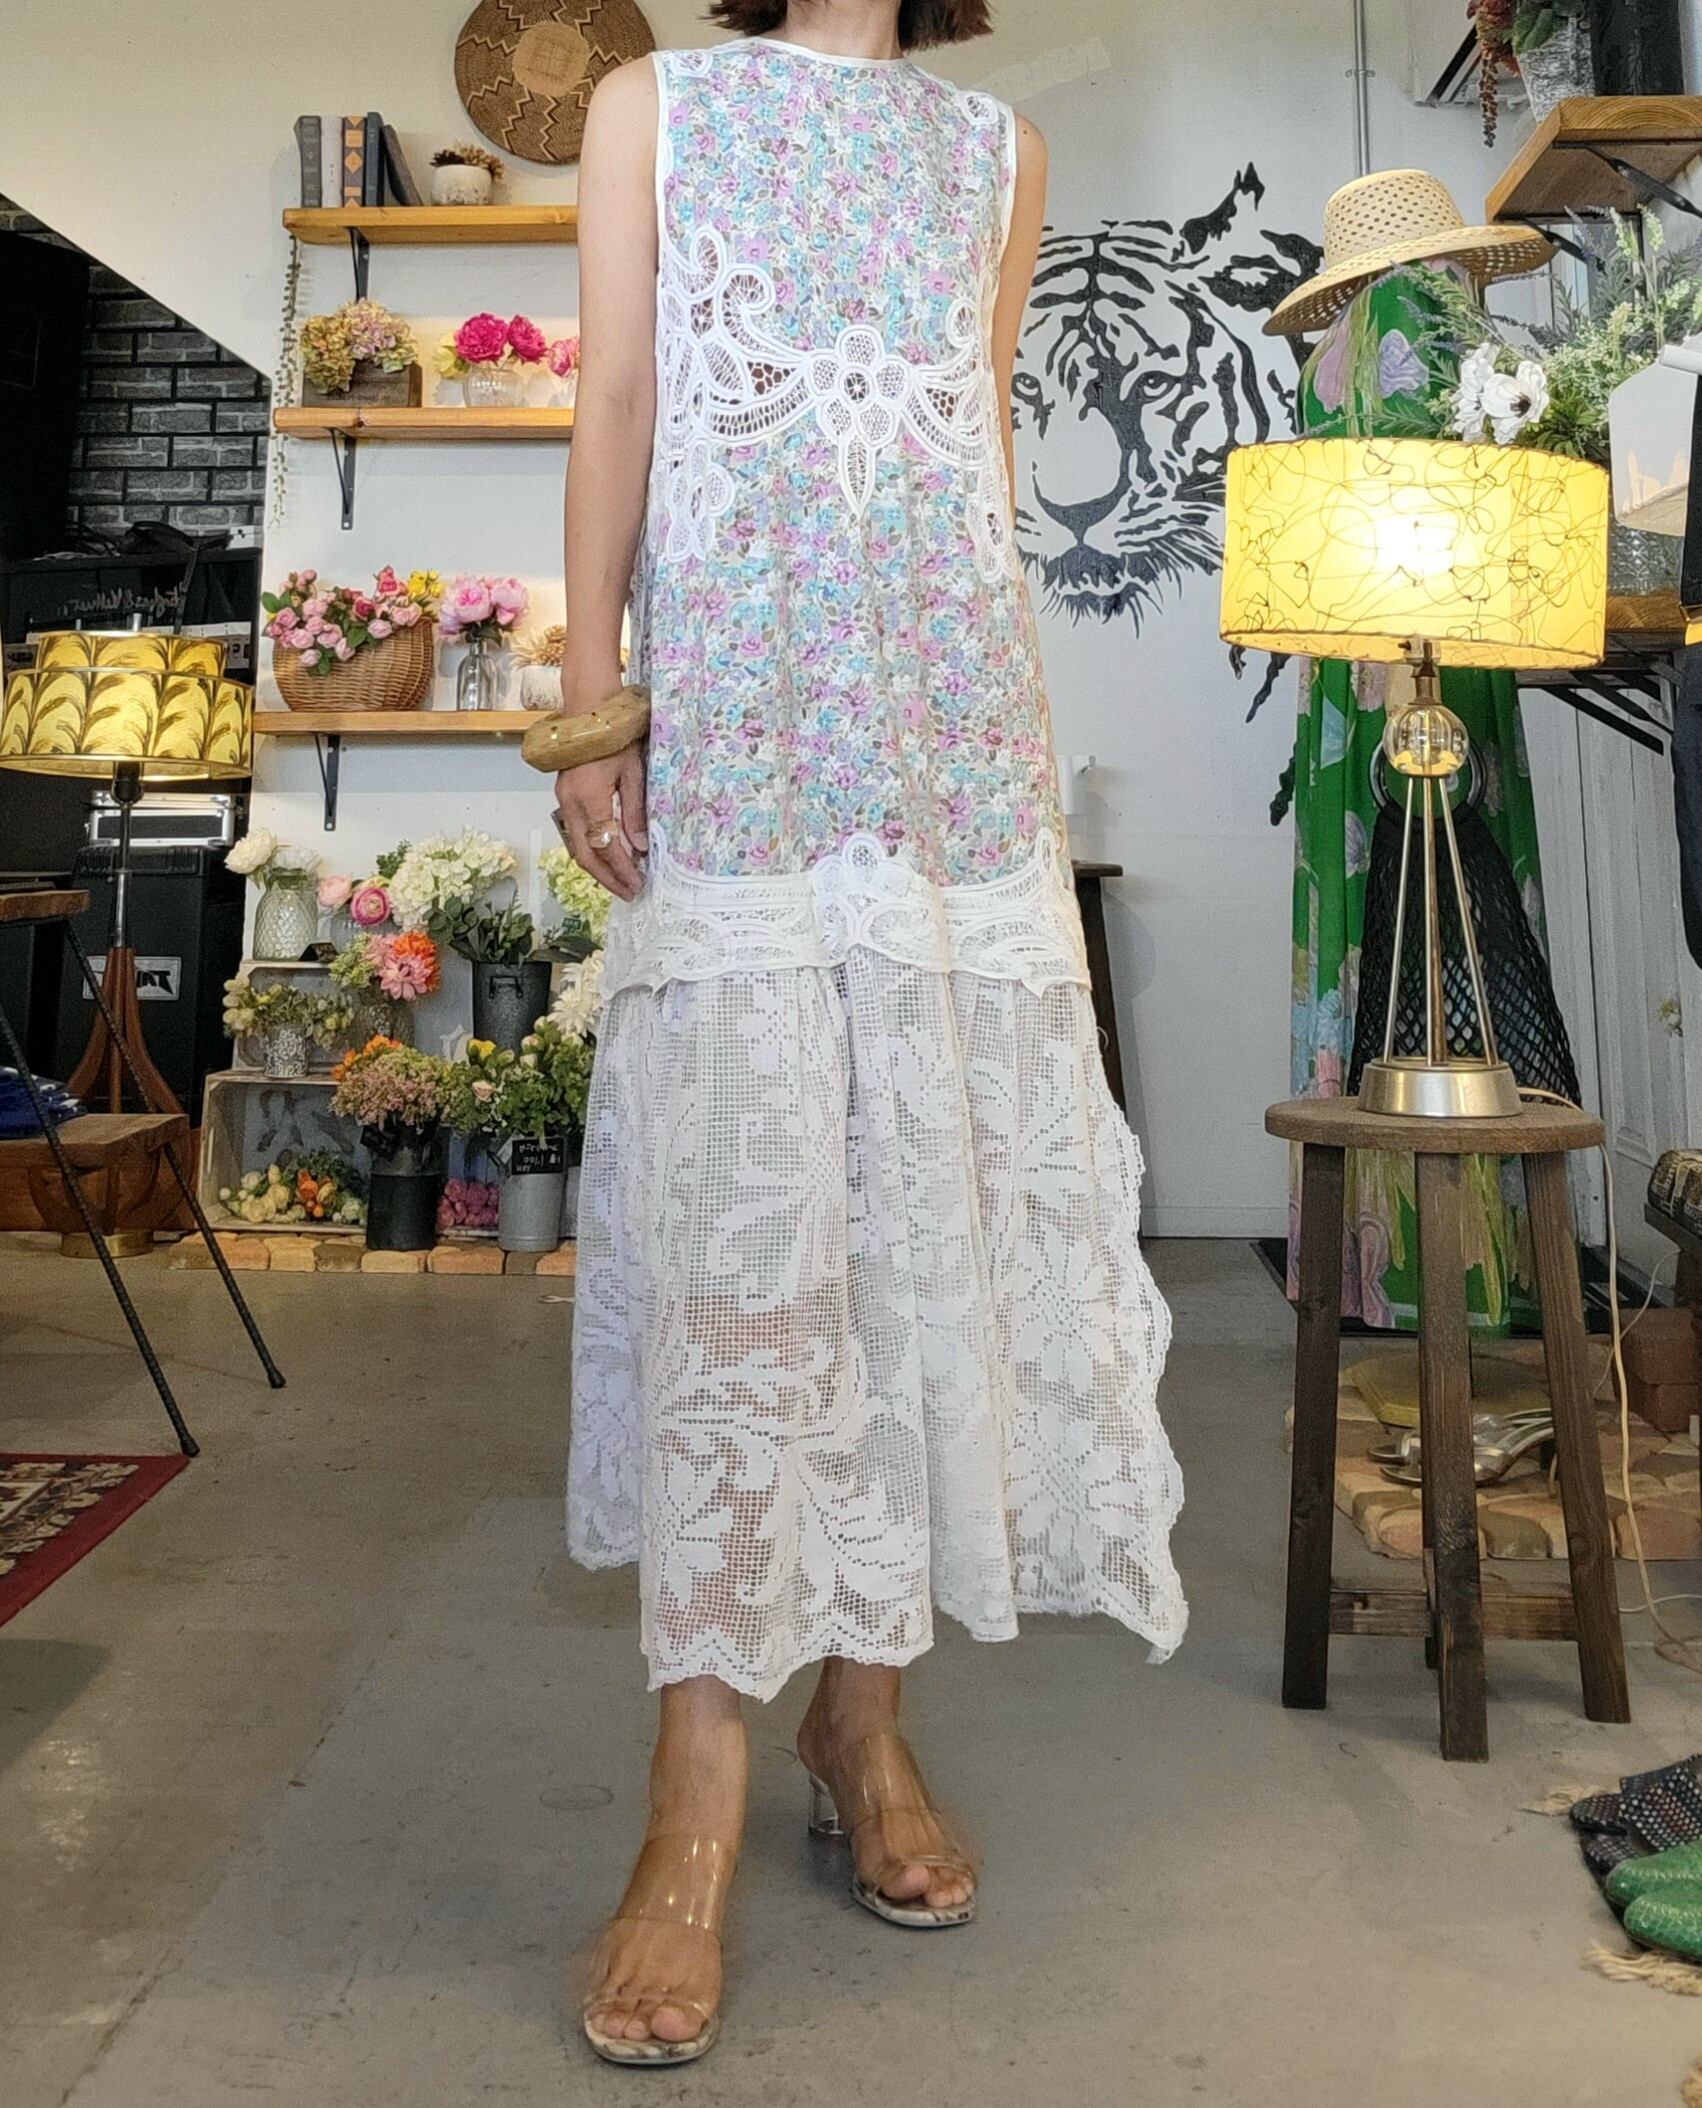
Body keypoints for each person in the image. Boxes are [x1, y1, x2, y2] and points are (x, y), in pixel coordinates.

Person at [553, 0, 1184, 2064]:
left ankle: (864, 1720)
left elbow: (974, 457)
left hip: (946, 743)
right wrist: (590, 697)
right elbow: (619, 398)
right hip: (738, 731)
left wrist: (1005, 762)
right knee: (736, 1261)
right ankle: (695, 1789)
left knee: (924, 1235)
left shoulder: (993, 151)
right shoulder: (653, 104)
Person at [1266, 171, 1558, 1334]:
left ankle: (1378, 1261)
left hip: (1355, 653)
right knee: (1450, 928)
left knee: (1378, 928)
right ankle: (1458, 1267)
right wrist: (1409, 681)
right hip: (1419, 641)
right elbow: (1417, 496)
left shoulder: (1339, 339)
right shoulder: (1415, 312)